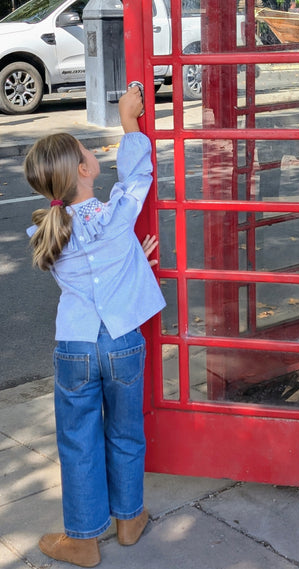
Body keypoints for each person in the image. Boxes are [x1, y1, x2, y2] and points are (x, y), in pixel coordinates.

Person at [25, 86, 166, 568]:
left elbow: (88, 273)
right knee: (126, 431)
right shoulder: (114, 218)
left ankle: (83, 539)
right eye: (88, 150)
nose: (93, 151)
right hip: (123, 342)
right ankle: (130, 520)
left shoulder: (52, 229)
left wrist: (132, 260)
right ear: (84, 171)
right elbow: (137, 173)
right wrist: (130, 124)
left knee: (78, 438)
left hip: (76, 350)